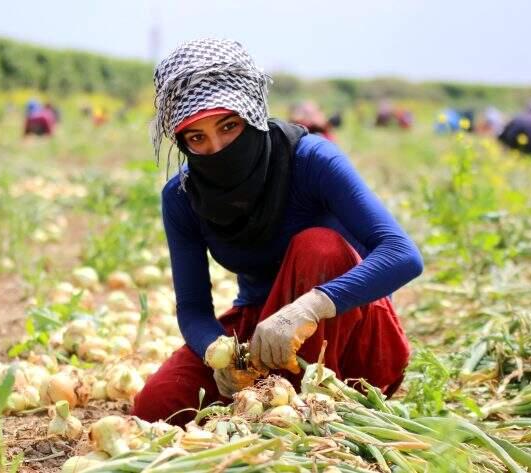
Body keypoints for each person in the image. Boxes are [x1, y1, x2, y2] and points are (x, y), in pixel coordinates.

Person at [132, 38, 424, 426]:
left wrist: (309, 307)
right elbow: (193, 308)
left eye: (228, 126)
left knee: (318, 247)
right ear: (182, 141)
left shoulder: (311, 160)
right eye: (197, 138)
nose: (217, 148)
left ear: (252, 114)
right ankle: (270, 403)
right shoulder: (183, 197)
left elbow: (402, 254)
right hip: (262, 333)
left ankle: (302, 408)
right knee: (156, 406)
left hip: (345, 329)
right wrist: (217, 351)